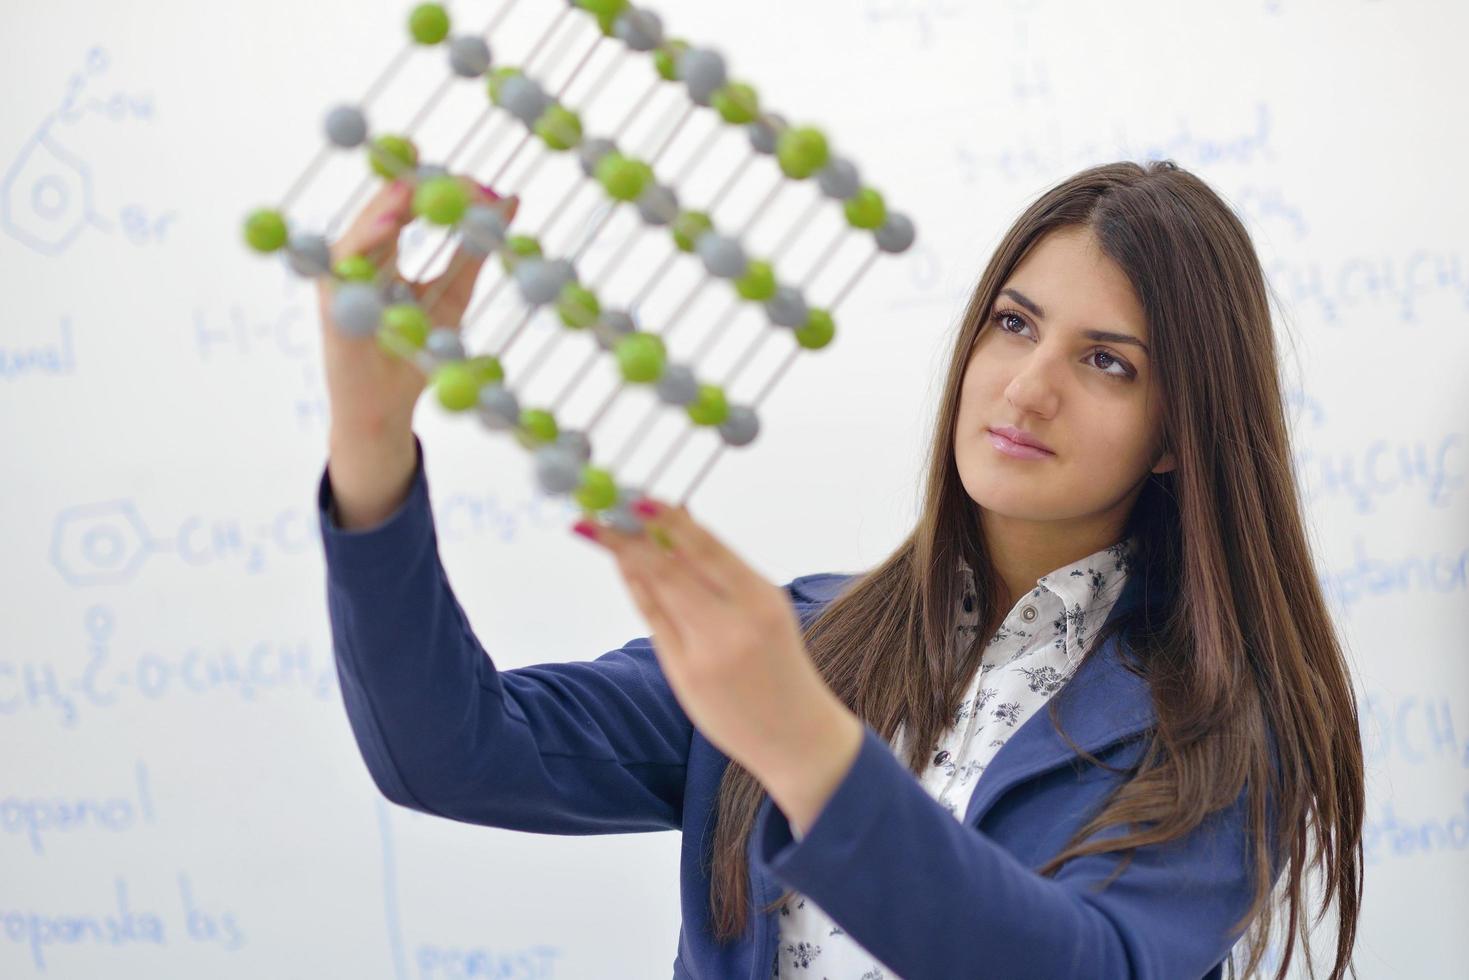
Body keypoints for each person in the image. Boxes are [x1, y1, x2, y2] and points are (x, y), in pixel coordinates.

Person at [314, 160, 1364, 979]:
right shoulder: (802, 640)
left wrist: (802, 741)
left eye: (1105, 361)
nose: (1027, 386)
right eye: (1011, 323)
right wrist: (370, 442)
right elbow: (450, 752)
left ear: (1178, 432)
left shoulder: (1216, 725)